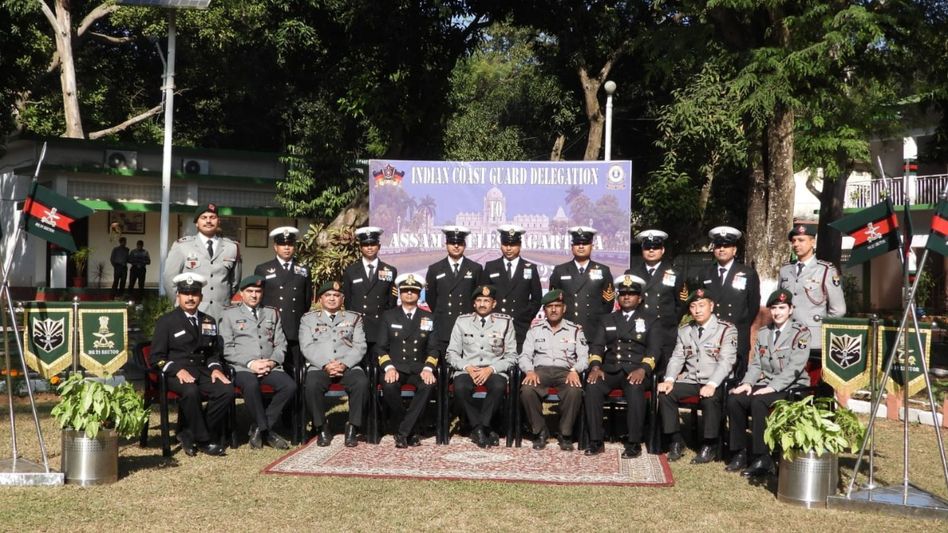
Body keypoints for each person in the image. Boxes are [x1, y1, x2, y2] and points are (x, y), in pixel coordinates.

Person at [726, 289, 811, 477]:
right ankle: (740, 452)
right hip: (767, 384)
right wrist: (747, 383)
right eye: (774, 308)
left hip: (792, 386)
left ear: (791, 309)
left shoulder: (801, 332)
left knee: (759, 402)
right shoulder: (764, 332)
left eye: (782, 307)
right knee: (735, 399)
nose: (777, 312)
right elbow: (756, 364)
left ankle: (763, 457)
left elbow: (795, 367)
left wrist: (771, 388)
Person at [150, 273, 234, 457]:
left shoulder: (208, 320)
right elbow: (156, 358)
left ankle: (189, 433)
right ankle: (204, 440)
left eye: (194, 294)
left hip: (202, 371)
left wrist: (216, 369)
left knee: (226, 391)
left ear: (201, 297)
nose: (190, 298)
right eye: (186, 294)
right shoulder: (166, 321)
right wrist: (176, 370)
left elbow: (212, 353)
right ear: (178, 296)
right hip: (176, 373)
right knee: (190, 391)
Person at [584, 274, 661, 458]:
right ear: (618, 297)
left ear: (640, 298)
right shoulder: (607, 319)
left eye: (631, 294)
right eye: (623, 294)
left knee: (635, 388)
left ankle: (634, 442)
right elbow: (597, 346)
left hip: (636, 370)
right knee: (593, 386)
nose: (626, 297)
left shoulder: (651, 320)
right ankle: (596, 440)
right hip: (610, 369)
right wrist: (595, 367)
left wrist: (643, 369)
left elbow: (654, 349)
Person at [658, 288, 737, 464]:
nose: (697, 310)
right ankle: (676, 440)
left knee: (710, 399)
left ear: (711, 306)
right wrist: (669, 379)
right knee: (666, 394)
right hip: (692, 379)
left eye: (701, 305)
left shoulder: (726, 329)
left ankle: (710, 444)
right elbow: (677, 357)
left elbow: (726, 361)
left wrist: (712, 384)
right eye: (693, 306)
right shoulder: (685, 330)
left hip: (716, 381)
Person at [219, 275, 296, 450]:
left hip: (269, 366)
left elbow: (281, 343)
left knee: (289, 386)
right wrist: (250, 363)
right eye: (250, 291)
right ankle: (267, 432)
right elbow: (227, 348)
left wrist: (272, 362)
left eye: (258, 291)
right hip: (242, 367)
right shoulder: (229, 314)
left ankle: (258, 427)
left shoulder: (271, 313)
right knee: (251, 384)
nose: (254, 295)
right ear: (241, 293)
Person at [254, 226, 312, 442]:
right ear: (275, 247)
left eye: (290, 244)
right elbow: (258, 300)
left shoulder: (303, 270)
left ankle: (291, 419)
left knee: (294, 376)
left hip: (294, 332)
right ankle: (265, 418)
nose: (287, 248)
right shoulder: (263, 268)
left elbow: (306, 301)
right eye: (282, 244)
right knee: (268, 375)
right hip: (271, 332)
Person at [445, 285, 517, 448]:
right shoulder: (462, 321)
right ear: (474, 303)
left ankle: (479, 427)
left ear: (494, 303)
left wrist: (490, 369)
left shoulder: (505, 322)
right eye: (479, 300)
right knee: (460, 387)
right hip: (468, 369)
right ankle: (483, 428)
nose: (482, 304)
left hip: (493, 369)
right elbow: (451, 353)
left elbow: (512, 356)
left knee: (498, 386)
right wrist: (467, 367)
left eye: (486, 300)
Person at [299, 281, 368, 447]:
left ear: (342, 299)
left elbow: (360, 345)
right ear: (320, 299)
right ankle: (321, 427)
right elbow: (306, 346)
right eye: (328, 295)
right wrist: (325, 365)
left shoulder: (354, 318)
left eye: (336, 295)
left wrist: (344, 364)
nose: (332, 299)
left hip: (348, 365)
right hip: (320, 366)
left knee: (361, 382)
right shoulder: (308, 319)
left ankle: (352, 426)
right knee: (312, 385)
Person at [519, 289, 589, 451]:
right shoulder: (535, 330)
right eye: (549, 307)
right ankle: (540, 431)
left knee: (574, 391)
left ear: (564, 308)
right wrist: (529, 371)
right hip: (540, 371)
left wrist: (575, 370)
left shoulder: (575, 330)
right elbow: (524, 356)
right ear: (544, 310)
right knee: (527, 390)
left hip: (566, 372)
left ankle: (565, 434)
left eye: (557, 306)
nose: (554, 310)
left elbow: (584, 357)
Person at [375, 274, 438, 448]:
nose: (409, 294)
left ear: (419, 294)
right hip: (395, 367)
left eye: (413, 291)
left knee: (428, 385)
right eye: (405, 291)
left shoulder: (429, 317)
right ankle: (411, 429)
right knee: (389, 386)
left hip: (419, 368)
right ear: (400, 293)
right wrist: (388, 367)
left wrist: (428, 369)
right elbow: (380, 347)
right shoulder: (388, 316)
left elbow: (434, 348)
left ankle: (402, 431)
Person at [698, 226, 760, 381]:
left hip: (737, 334)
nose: (721, 249)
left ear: (734, 250)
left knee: (735, 381)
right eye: (718, 246)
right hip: (712, 335)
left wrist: (741, 324)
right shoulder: (705, 273)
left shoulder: (748, 273)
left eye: (726, 246)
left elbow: (753, 305)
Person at [163, 203, 242, 322]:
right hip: (192, 312)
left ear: (218, 221)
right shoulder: (182, 246)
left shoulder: (231, 247)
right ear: (196, 223)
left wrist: (222, 300)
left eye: (212, 217)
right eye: (204, 218)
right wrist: (180, 303)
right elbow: (169, 278)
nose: (208, 221)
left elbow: (235, 282)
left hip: (221, 312)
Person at [778, 224, 846, 359]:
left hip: (813, 339)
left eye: (801, 240)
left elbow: (839, 309)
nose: (796, 244)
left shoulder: (825, 270)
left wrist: (820, 327)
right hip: (787, 337)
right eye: (794, 241)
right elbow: (779, 303)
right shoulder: (785, 270)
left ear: (813, 242)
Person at [628, 229, 685, 372]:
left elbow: (681, 304)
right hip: (639, 331)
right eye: (647, 248)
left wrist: (669, 322)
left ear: (662, 250)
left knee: (664, 373)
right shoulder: (632, 274)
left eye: (655, 247)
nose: (651, 251)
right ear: (642, 250)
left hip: (665, 332)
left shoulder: (674, 274)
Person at [479, 224, 542, 352]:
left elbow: (537, 298)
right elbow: (484, 297)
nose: (508, 248)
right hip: (495, 326)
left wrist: (525, 317)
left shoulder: (530, 268)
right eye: (505, 244)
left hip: (520, 327)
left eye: (512, 245)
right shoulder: (491, 267)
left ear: (520, 245)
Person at [342, 226, 398, 360]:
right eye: (365, 245)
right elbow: (348, 301)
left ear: (379, 246)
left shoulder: (390, 270)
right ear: (360, 247)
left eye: (372, 244)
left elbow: (391, 302)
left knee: (379, 365)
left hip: (380, 327)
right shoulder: (351, 271)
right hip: (358, 327)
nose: (369, 248)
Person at [425, 226, 483, 352]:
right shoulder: (435, 269)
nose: (456, 246)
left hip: (468, 327)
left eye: (460, 243)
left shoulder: (475, 268)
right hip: (443, 327)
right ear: (446, 244)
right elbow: (431, 299)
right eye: (452, 243)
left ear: (465, 245)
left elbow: (479, 298)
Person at [549, 226, 615, 335]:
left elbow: (608, 303)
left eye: (585, 243)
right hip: (566, 329)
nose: (581, 247)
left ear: (592, 246)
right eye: (577, 243)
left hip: (593, 330)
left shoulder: (603, 271)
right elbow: (554, 301)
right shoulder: (560, 271)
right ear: (572, 247)